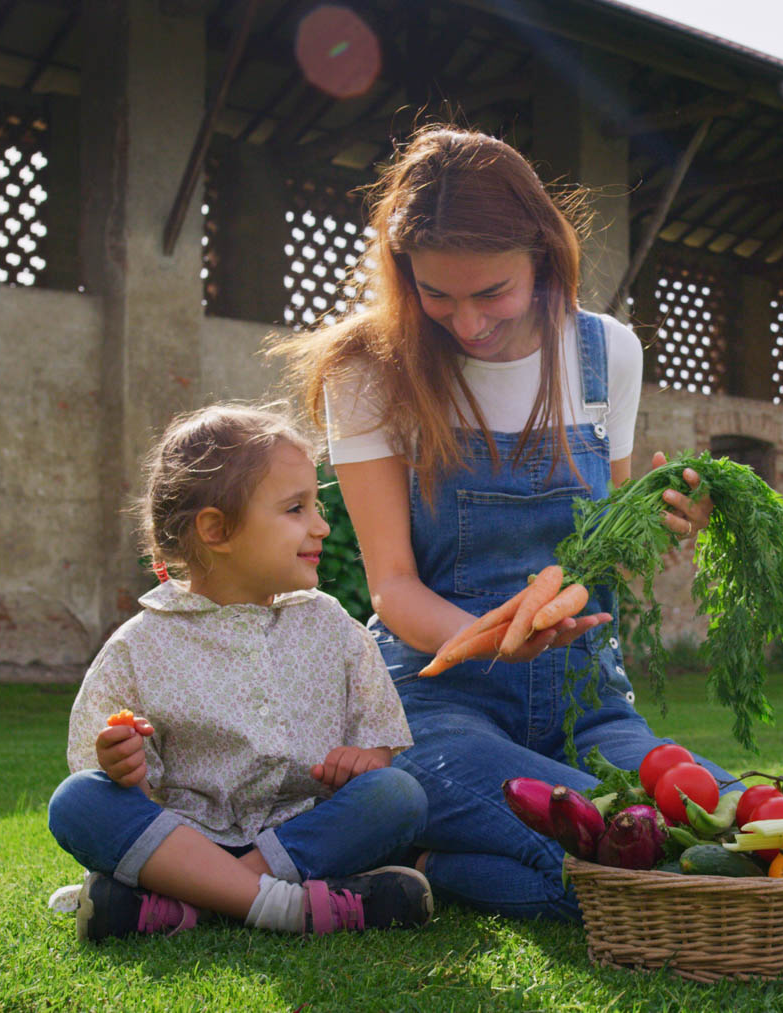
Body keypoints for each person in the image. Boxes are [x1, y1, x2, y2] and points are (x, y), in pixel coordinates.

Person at [280, 126, 727, 921]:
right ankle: (435, 836)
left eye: (492, 292)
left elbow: (610, 558)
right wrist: (496, 634)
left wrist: (663, 528)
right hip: (438, 702)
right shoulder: (368, 368)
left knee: (719, 824)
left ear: (543, 257)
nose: (468, 322)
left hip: (589, 702)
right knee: (631, 846)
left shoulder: (606, 355)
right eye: (437, 294)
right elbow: (391, 586)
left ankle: (433, 856)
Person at [47, 404, 432, 942]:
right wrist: (122, 764)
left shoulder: (333, 627)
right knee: (77, 802)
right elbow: (121, 783)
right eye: (296, 508)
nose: (321, 524)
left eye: (315, 505)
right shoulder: (139, 645)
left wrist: (365, 763)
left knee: (397, 795)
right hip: (183, 840)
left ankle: (191, 902)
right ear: (216, 529)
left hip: (300, 836)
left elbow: (380, 746)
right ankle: (298, 907)